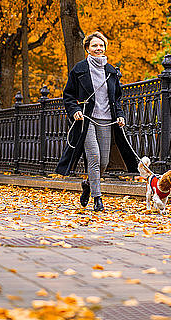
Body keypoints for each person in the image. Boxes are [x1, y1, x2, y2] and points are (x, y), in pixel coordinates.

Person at [55, 31, 138, 211]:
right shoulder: (79, 69)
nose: (98, 48)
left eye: (101, 45)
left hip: (107, 120)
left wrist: (120, 115)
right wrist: (75, 110)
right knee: (94, 156)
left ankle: (88, 184)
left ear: (105, 48)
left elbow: (116, 98)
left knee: (104, 162)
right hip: (87, 119)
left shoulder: (111, 71)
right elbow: (68, 95)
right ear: (87, 48)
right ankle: (97, 199)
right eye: (94, 45)